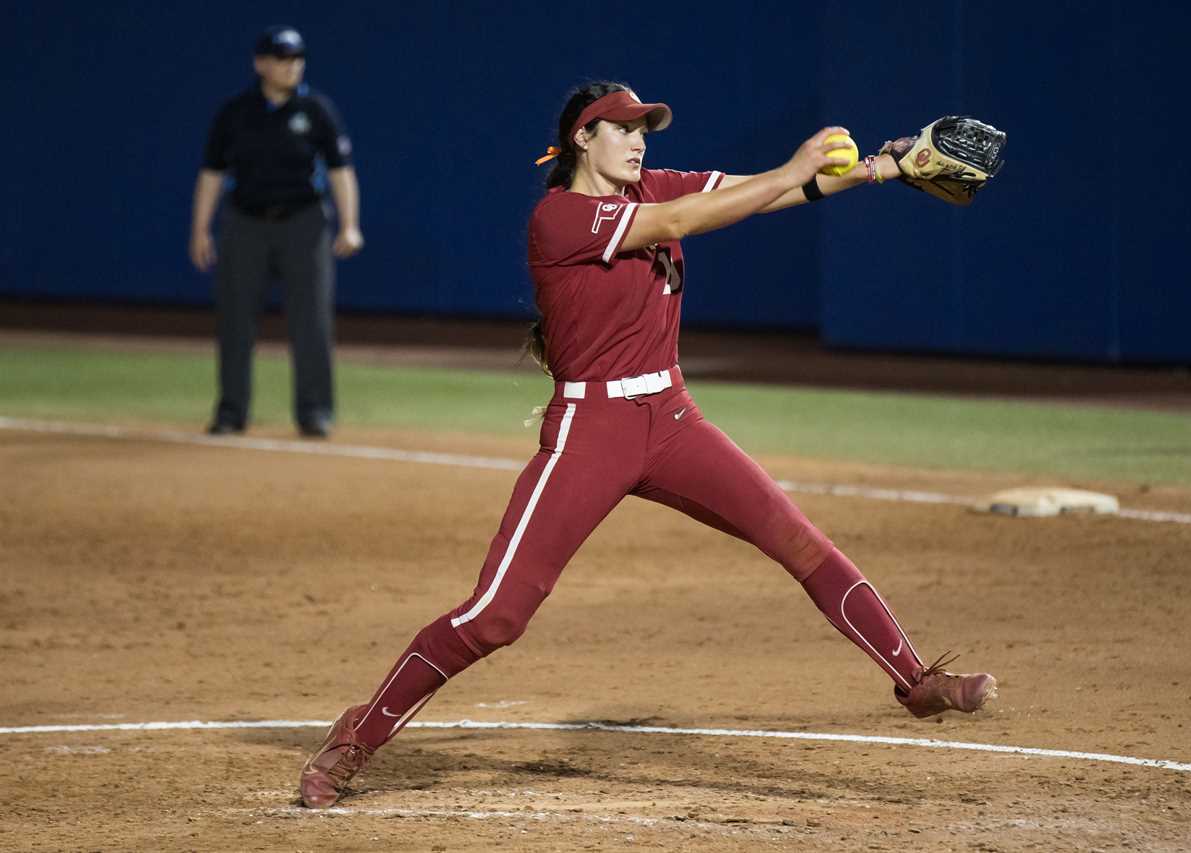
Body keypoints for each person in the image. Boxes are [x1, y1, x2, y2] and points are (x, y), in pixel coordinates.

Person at [299, 81, 996, 808]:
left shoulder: (652, 184)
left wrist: (886, 167)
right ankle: (357, 735)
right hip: (588, 434)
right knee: (497, 615)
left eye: (644, 130)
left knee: (800, 541)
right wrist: (792, 169)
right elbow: (689, 217)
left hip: (671, 417)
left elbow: (762, 193)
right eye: (622, 128)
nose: (638, 141)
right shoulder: (559, 218)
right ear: (580, 138)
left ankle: (915, 678)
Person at [188, 26, 363, 439]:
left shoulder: (317, 110)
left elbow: (341, 171)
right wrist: (200, 230)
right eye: (283, 59)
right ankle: (231, 412)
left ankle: (315, 412)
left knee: (312, 322)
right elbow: (212, 173)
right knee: (235, 321)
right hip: (245, 222)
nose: (291, 66)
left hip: (303, 223)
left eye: (297, 58)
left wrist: (350, 224)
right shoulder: (235, 113)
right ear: (260, 64)